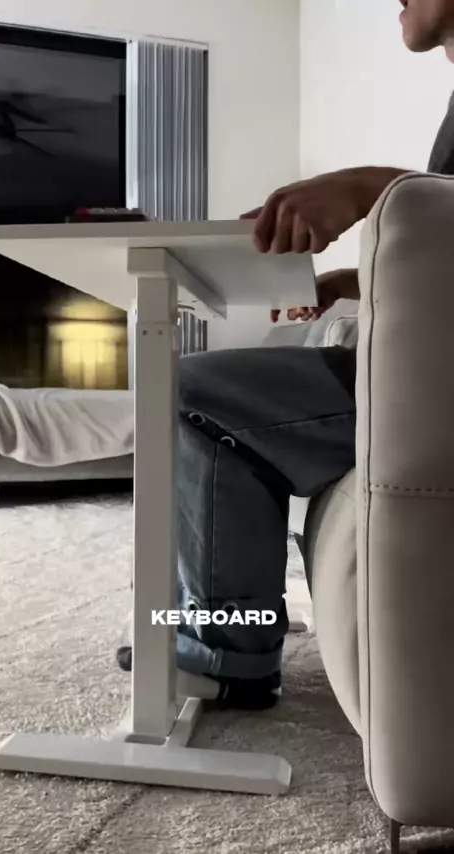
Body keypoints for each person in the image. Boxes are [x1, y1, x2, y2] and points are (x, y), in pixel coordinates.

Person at [118, 0, 454, 709]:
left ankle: (226, 653)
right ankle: (225, 630)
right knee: (193, 390)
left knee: (187, 390)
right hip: (419, 368)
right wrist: (346, 281)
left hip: (431, 386)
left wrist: (368, 187)